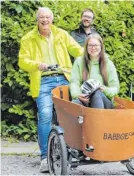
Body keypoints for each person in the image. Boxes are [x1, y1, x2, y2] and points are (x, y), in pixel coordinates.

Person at [18, 7, 83, 173]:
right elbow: (22, 61)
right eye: (41, 17)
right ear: (37, 19)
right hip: (43, 81)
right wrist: (36, 65)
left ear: (52, 19)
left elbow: (76, 49)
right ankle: (45, 157)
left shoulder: (61, 34)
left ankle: (72, 150)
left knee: (74, 112)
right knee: (46, 114)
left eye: (47, 17)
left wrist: (91, 55)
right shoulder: (28, 38)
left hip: (64, 78)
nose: (45, 20)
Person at [70, 34, 120, 109]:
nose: (93, 48)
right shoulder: (79, 61)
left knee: (97, 93)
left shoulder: (108, 64)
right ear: (86, 47)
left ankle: (98, 120)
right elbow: (74, 82)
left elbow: (115, 88)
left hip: (104, 103)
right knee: (74, 103)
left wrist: (105, 89)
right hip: (86, 98)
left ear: (101, 47)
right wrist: (77, 95)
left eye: (96, 45)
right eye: (90, 45)